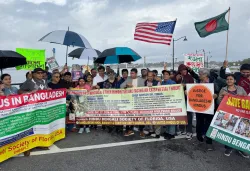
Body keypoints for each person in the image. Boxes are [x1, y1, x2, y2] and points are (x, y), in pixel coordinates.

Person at [218, 74, 249, 158]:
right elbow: (219, 102)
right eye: (227, 79)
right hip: (228, 114)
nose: (229, 81)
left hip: (240, 113)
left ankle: (241, 149)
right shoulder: (223, 89)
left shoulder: (241, 89)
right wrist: (222, 97)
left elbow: (246, 100)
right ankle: (229, 147)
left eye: (231, 79)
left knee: (240, 131)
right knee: (229, 130)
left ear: (235, 81)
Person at [192, 68, 219, 151]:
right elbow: (193, 93)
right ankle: (199, 139)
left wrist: (216, 95)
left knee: (209, 124)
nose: (199, 75)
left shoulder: (213, 83)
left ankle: (209, 142)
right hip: (199, 107)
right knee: (199, 123)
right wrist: (188, 92)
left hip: (209, 108)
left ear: (205, 75)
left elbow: (218, 92)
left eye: (200, 74)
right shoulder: (198, 83)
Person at [121, 68, 145, 136]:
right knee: (130, 115)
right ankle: (129, 130)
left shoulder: (141, 80)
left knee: (140, 116)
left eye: (133, 73)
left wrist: (133, 87)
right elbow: (121, 86)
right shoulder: (128, 79)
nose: (131, 74)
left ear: (136, 73)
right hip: (130, 101)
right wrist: (126, 86)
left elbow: (144, 89)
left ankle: (141, 130)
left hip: (139, 100)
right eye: (131, 73)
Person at [174, 64, 196, 140]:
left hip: (188, 99)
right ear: (179, 71)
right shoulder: (176, 76)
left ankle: (189, 131)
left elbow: (193, 87)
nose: (184, 71)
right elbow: (172, 86)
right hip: (179, 99)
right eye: (182, 70)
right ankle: (182, 129)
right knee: (181, 114)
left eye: (185, 70)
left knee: (189, 115)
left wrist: (185, 85)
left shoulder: (189, 77)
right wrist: (176, 80)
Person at [140, 71, 161, 138]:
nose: (149, 77)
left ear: (153, 76)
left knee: (157, 118)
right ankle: (151, 130)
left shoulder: (157, 82)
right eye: (148, 76)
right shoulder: (145, 82)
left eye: (151, 76)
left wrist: (152, 87)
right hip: (148, 102)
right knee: (149, 117)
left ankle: (157, 133)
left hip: (156, 102)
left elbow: (159, 91)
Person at [161, 70, 177, 139]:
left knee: (172, 118)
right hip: (165, 103)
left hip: (171, 103)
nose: (165, 75)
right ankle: (167, 131)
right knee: (167, 118)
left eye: (167, 74)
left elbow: (176, 92)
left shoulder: (172, 83)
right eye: (164, 74)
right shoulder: (162, 83)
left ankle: (171, 133)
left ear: (169, 75)